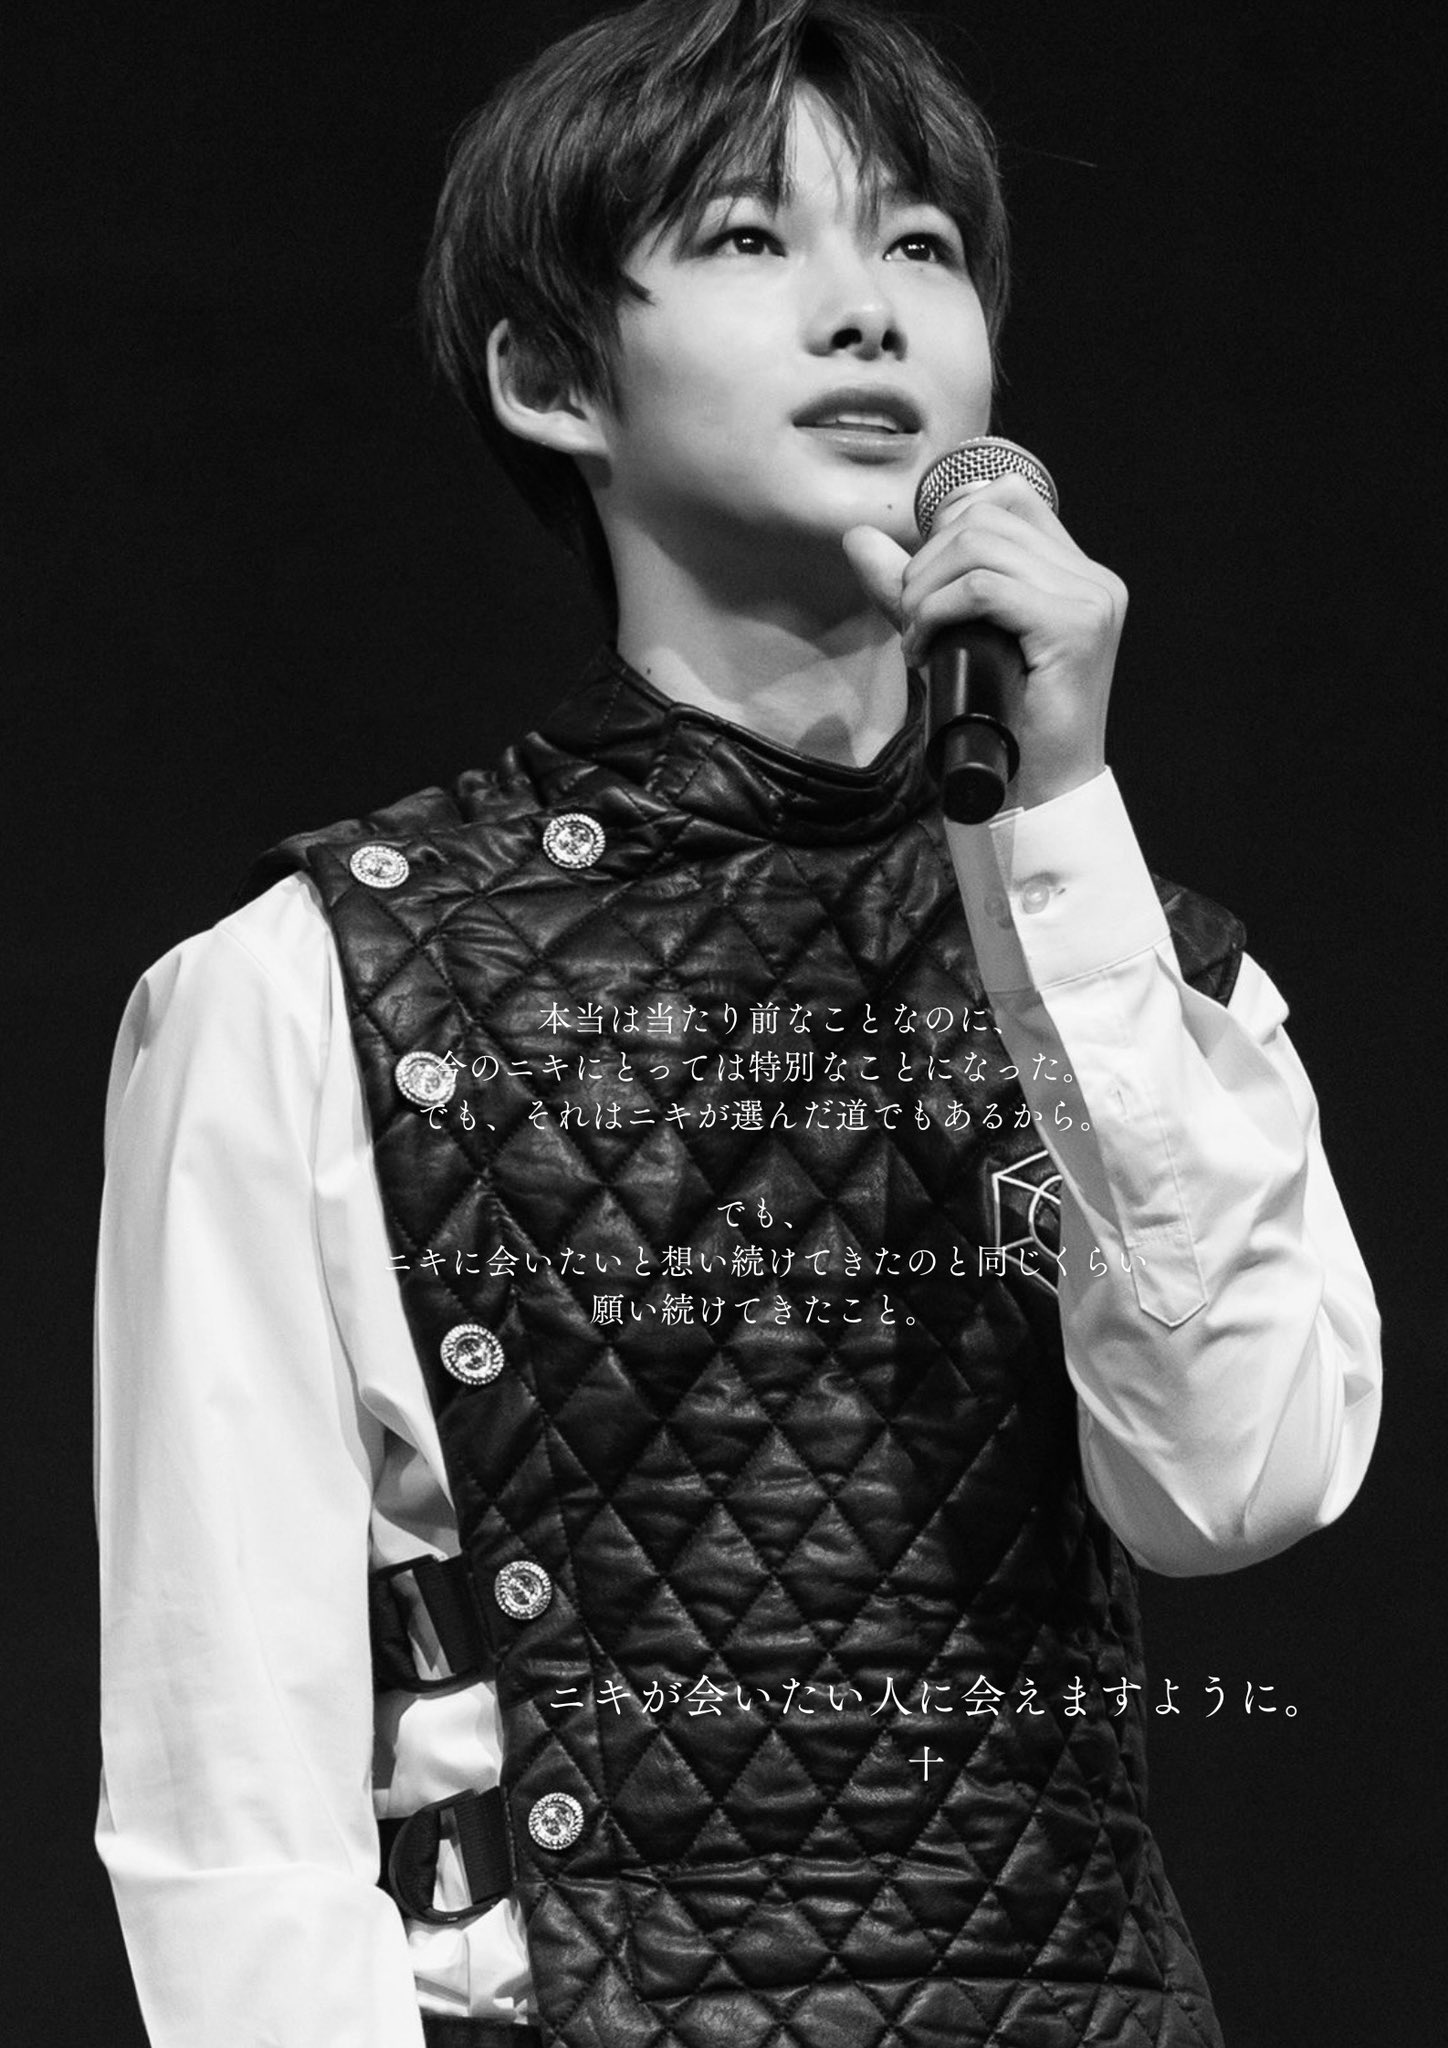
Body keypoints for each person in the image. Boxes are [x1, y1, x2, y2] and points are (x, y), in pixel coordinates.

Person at [93, 3, 1382, 2044]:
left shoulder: (1144, 960)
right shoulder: (301, 984)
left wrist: (1056, 818)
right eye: (750, 238)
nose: (867, 307)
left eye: (922, 245)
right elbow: (226, 1806)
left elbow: (1235, 1483)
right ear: (548, 380)